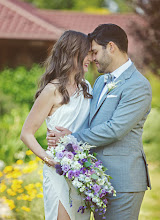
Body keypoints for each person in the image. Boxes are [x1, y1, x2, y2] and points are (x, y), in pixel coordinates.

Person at [47, 24, 152, 220]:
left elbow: (115, 129)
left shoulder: (138, 85)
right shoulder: (100, 82)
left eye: (94, 52)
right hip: (95, 179)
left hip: (124, 182)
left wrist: (72, 138)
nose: (92, 58)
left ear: (110, 47)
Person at [20, 30, 93, 220]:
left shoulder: (88, 89)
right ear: (73, 53)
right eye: (87, 52)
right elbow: (26, 133)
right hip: (58, 170)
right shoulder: (51, 90)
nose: (91, 58)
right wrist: (48, 159)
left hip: (82, 169)